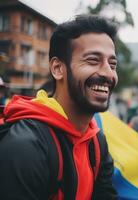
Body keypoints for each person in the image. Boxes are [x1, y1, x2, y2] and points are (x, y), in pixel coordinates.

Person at [0, 15, 118, 199]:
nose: (108, 73)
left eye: (113, 64)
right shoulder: (25, 146)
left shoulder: (96, 141)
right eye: (93, 60)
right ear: (57, 69)